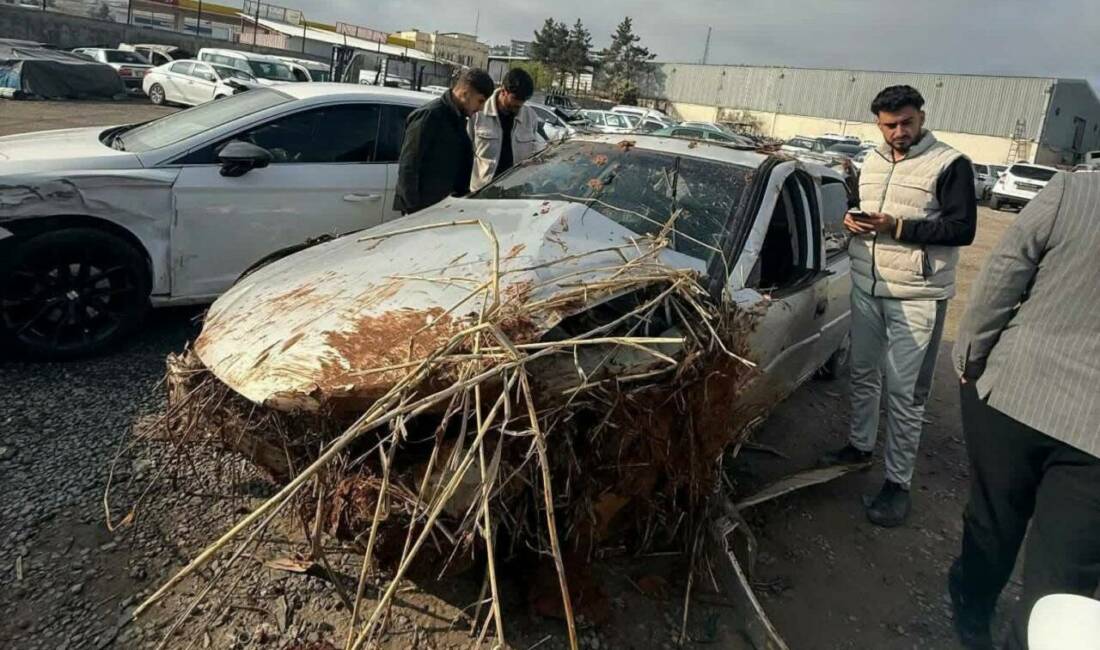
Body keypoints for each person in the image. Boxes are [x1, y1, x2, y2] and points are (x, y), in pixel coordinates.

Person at [948, 171, 1100, 650]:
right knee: (1066, 569)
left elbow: (1001, 276)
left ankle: (971, 613)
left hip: (1014, 394)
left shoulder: (1075, 193)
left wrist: (970, 358)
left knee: (994, 517)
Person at [819, 85, 977, 527]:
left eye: (907, 122)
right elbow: (863, 207)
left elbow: (962, 229)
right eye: (890, 125)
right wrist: (853, 216)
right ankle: (860, 446)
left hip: (917, 296)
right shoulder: (870, 159)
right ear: (878, 123)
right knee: (865, 373)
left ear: (922, 117)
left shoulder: (950, 164)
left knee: (907, 394)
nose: (899, 132)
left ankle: (897, 484)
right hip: (869, 287)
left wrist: (897, 226)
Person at [394, 68, 494, 214]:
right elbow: (409, 166)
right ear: (465, 93)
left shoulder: (459, 119)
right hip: (422, 213)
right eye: (480, 101)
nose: (481, 108)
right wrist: (414, 211)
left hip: (446, 209)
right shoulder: (430, 116)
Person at [468, 68, 545, 192]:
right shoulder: (478, 112)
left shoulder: (530, 117)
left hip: (515, 192)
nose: (517, 109)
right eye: (513, 105)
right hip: (481, 193)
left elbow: (538, 150)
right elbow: (464, 155)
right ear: (504, 91)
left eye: (521, 104)